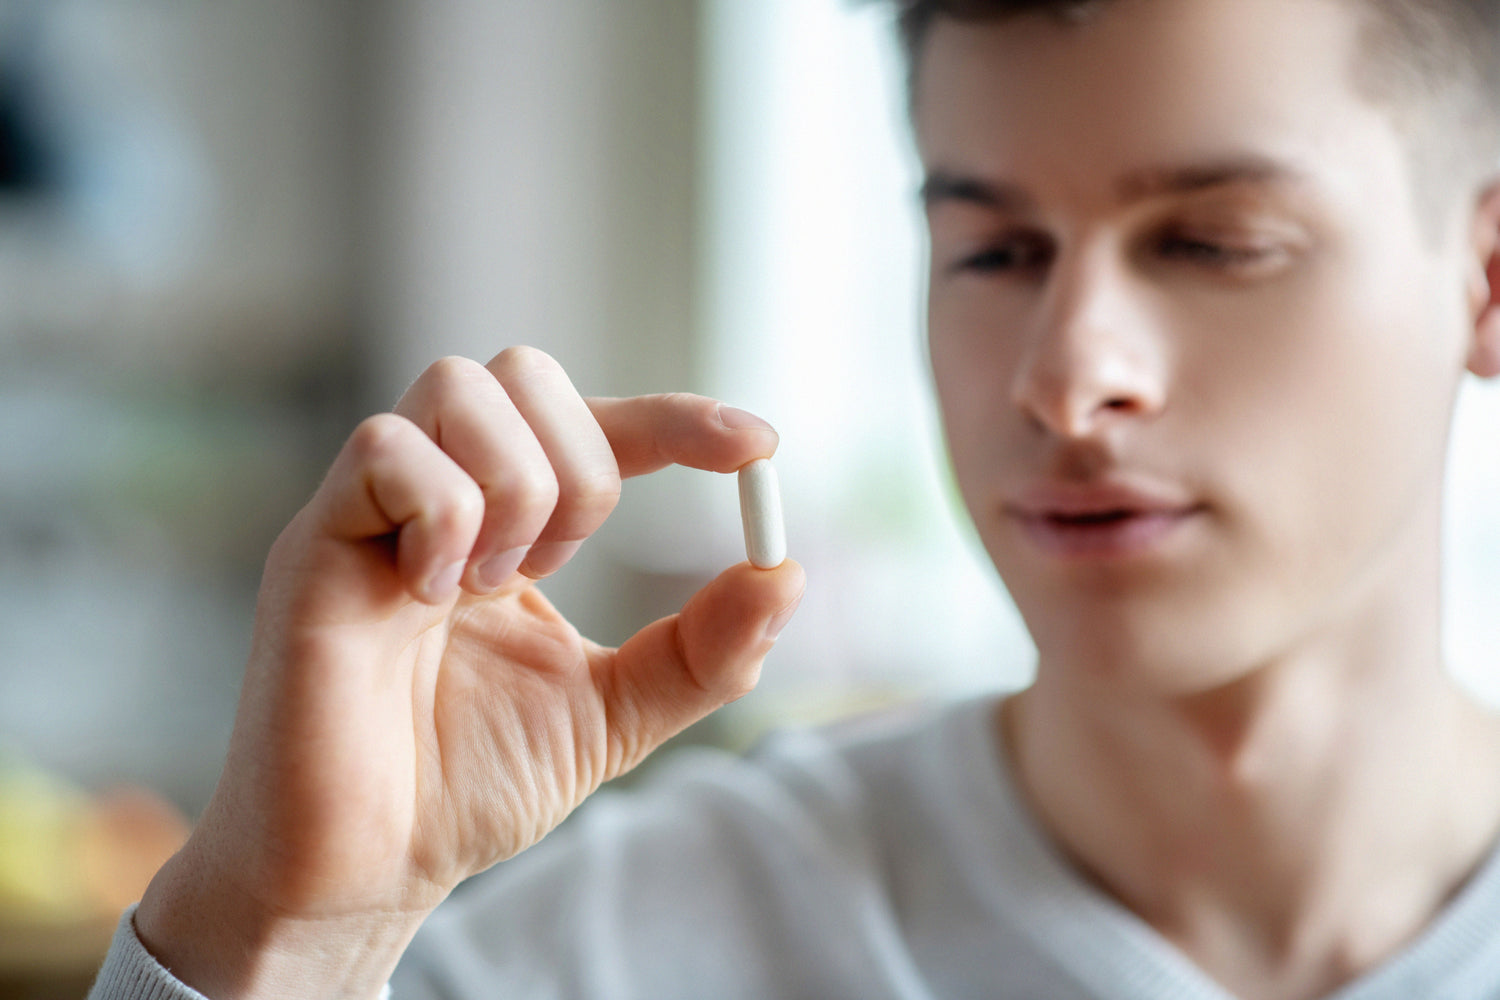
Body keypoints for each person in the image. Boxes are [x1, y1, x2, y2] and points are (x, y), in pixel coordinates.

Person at [88, 0, 1500, 997]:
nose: (1066, 380)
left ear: (1484, 280)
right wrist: (291, 937)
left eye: (1214, 243)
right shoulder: (614, 951)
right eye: (996, 252)